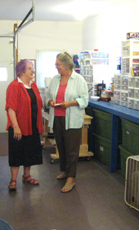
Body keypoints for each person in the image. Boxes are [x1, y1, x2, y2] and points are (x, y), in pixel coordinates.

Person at [46, 52, 88, 193]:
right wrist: (50, 101)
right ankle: (64, 171)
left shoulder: (78, 80)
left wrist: (69, 103)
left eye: (58, 64)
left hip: (72, 119)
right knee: (61, 146)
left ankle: (71, 178)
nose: (56, 67)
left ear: (66, 65)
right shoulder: (55, 79)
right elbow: (48, 95)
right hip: (57, 117)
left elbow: (84, 100)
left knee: (71, 149)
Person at [5, 59, 43, 191]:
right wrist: (16, 127)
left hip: (32, 125)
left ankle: (27, 176)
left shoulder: (33, 85)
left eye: (33, 68)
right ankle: (13, 179)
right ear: (21, 71)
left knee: (29, 152)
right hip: (18, 126)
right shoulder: (14, 86)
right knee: (17, 153)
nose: (33, 70)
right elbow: (11, 108)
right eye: (30, 68)